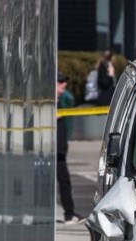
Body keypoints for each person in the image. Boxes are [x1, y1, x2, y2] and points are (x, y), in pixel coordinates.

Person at [56, 72, 79, 223]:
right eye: (61, 81)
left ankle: (70, 214)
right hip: (50, 151)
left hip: (60, 152)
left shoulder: (59, 102)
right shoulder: (46, 102)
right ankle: (69, 214)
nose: (64, 84)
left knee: (64, 182)